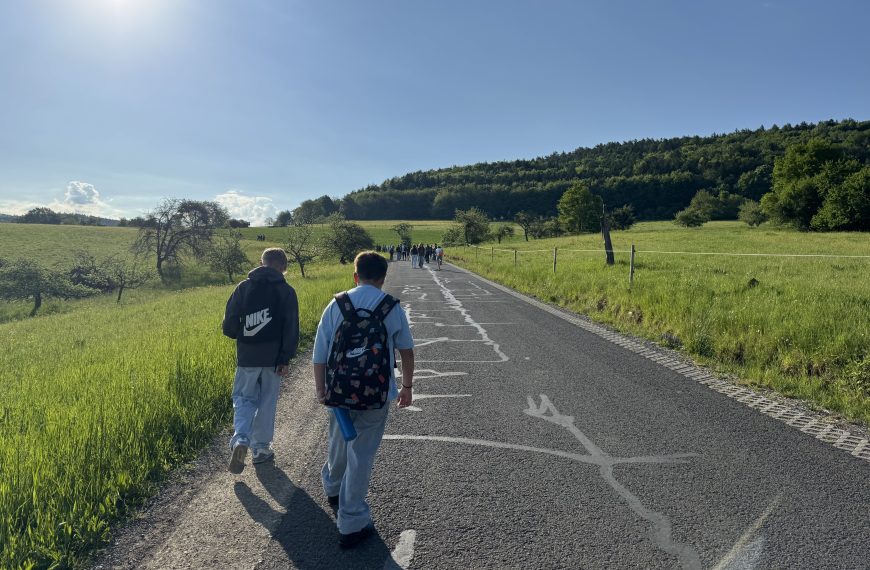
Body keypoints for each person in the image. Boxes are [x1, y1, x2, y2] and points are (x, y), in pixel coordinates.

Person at [312, 252, 415, 548]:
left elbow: (320, 353)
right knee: (362, 454)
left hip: (339, 391)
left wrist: (322, 390)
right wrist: (406, 386)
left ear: (355, 275)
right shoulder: (390, 307)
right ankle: (352, 519)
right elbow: (406, 351)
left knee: (337, 441)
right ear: (383, 278)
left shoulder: (337, 304)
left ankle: (332, 486)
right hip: (377, 393)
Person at [222, 248, 300, 474]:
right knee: (267, 402)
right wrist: (285, 357)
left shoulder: (243, 287)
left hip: (247, 357)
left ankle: (241, 439)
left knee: (243, 398)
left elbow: (228, 325)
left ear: (262, 262)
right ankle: (261, 450)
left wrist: (244, 334)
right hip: (274, 359)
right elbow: (291, 327)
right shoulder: (286, 291)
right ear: (283, 266)